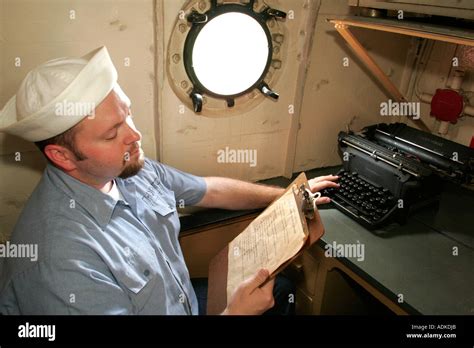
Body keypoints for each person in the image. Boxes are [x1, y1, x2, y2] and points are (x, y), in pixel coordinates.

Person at [0, 47, 339, 315]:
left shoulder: (129, 167)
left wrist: (291, 194)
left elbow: (211, 190)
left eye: (127, 114)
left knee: (282, 290)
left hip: (183, 302)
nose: (135, 135)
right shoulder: (58, 264)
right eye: (111, 133)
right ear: (63, 157)